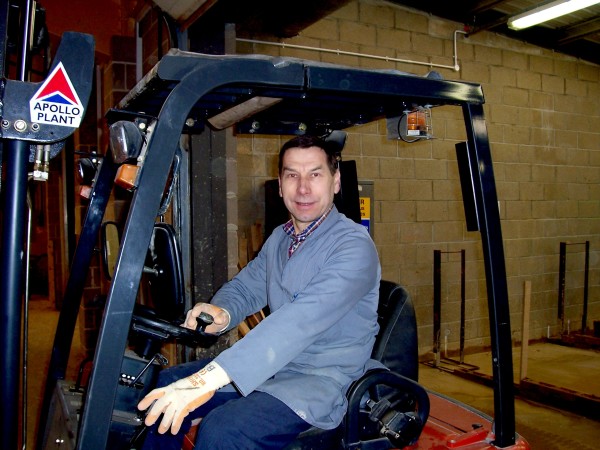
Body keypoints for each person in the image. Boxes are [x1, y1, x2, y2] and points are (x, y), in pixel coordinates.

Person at [138, 134, 382, 450]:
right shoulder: (281, 239)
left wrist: (207, 380)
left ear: (335, 182)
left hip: (321, 380)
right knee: (166, 384)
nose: (303, 188)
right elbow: (246, 287)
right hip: (275, 367)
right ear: (280, 185)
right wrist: (222, 312)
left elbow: (298, 322)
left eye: (315, 174)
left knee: (223, 430)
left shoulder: (353, 246)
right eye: (293, 175)